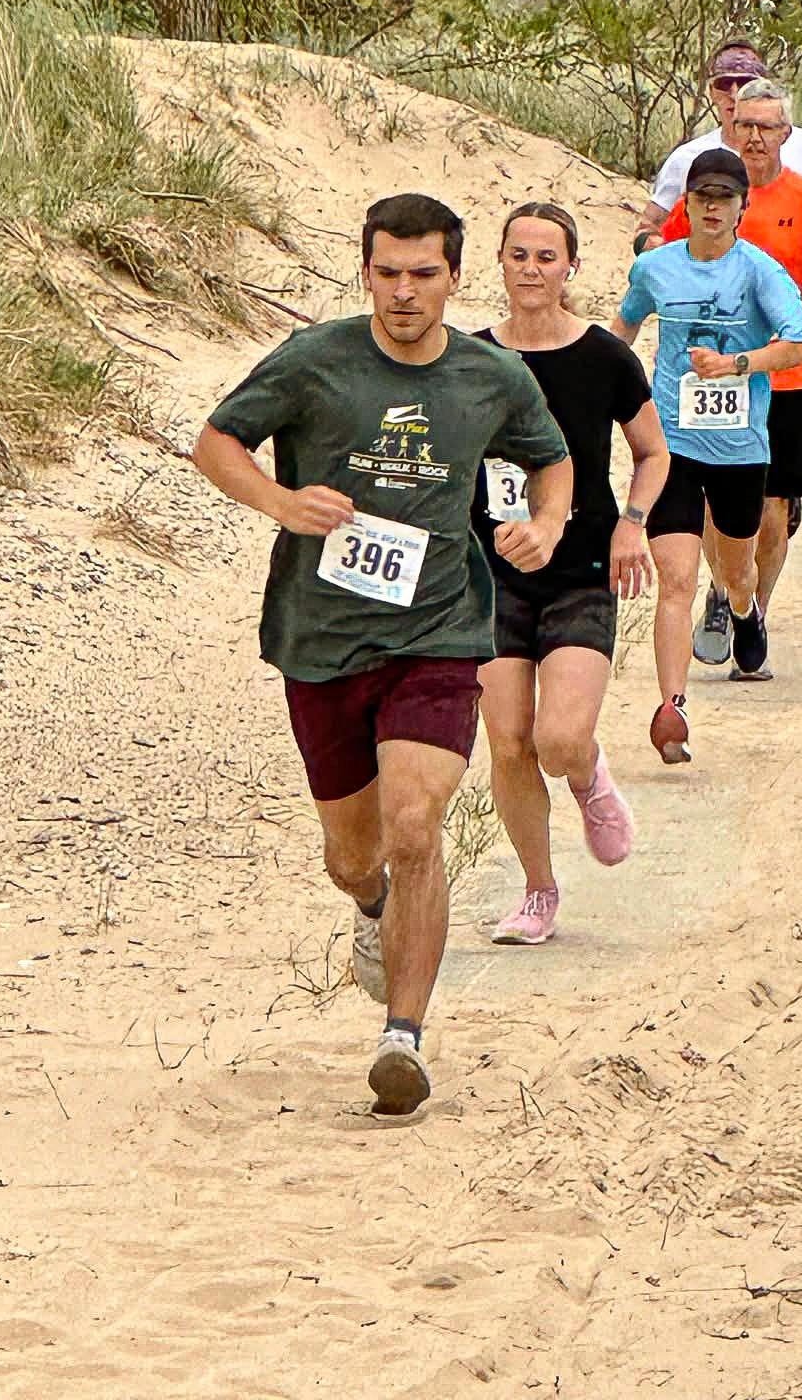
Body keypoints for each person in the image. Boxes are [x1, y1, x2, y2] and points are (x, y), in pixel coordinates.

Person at [192, 193, 573, 1114]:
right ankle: (373, 911)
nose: (405, 293)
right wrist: (284, 505)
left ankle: (403, 1037)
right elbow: (215, 442)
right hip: (321, 639)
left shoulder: (490, 375)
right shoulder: (317, 361)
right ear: (365, 271)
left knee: (415, 826)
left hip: (439, 630)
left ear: (454, 275)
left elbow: (551, 457)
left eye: (425, 274)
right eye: (388, 273)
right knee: (354, 856)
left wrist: (547, 524)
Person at [474, 204, 669, 948]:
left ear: (571, 268)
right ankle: (537, 890)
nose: (531, 269)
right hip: (491, 577)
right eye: (518, 255)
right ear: (499, 262)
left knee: (558, 739)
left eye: (546, 257)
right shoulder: (472, 359)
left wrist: (632, 522)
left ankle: (587, 776)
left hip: (584, 567)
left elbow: (653, 451)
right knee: (510, 743)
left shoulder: (602, 357)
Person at [613, 149, 802, 763]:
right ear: (687, 202)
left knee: (736, 569)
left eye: (725, 198)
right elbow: (621, 333)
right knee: (675, 578)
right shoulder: (657, 268)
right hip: (671, 445)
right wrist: (604, 390)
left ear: (740, 208)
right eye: (702, 196)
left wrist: (736, 364)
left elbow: (796, 346)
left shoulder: (759, 271)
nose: (712, 207)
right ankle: (673, 708)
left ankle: (745, 611)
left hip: (739, 446)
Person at [657, 84, 802, 667]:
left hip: (785, 380)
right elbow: (663, 258)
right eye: (744, 124)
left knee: (773, 507)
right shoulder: (705, 198)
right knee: (709, 501)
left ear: (786, 135)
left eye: (766, 127)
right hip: (709, 380)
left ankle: (753, 610)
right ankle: (723, 594)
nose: (753, 137)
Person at [638, 43, 802, 244]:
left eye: (746, 83)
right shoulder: (687, 158)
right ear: (711, 91)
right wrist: (665, 257)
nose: (734, 93)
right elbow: (648, 230)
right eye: (724, 84)